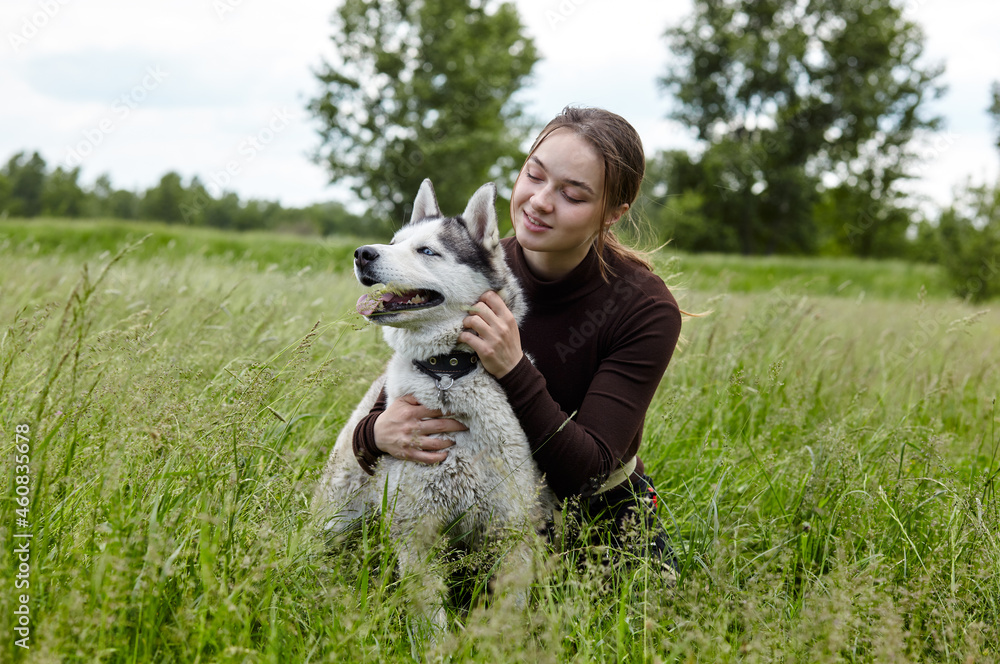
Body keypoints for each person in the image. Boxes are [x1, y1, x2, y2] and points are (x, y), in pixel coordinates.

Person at [352, 106, 682, 569]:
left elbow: (589, 474)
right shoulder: (464, 268)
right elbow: (401, 396)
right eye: (535, 174)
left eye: (573, 194)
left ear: (613, 213)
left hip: (597, 523)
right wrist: (374, 433)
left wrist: (513, 367)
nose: (540, 201)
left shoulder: (643, 308)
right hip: (466, 519)